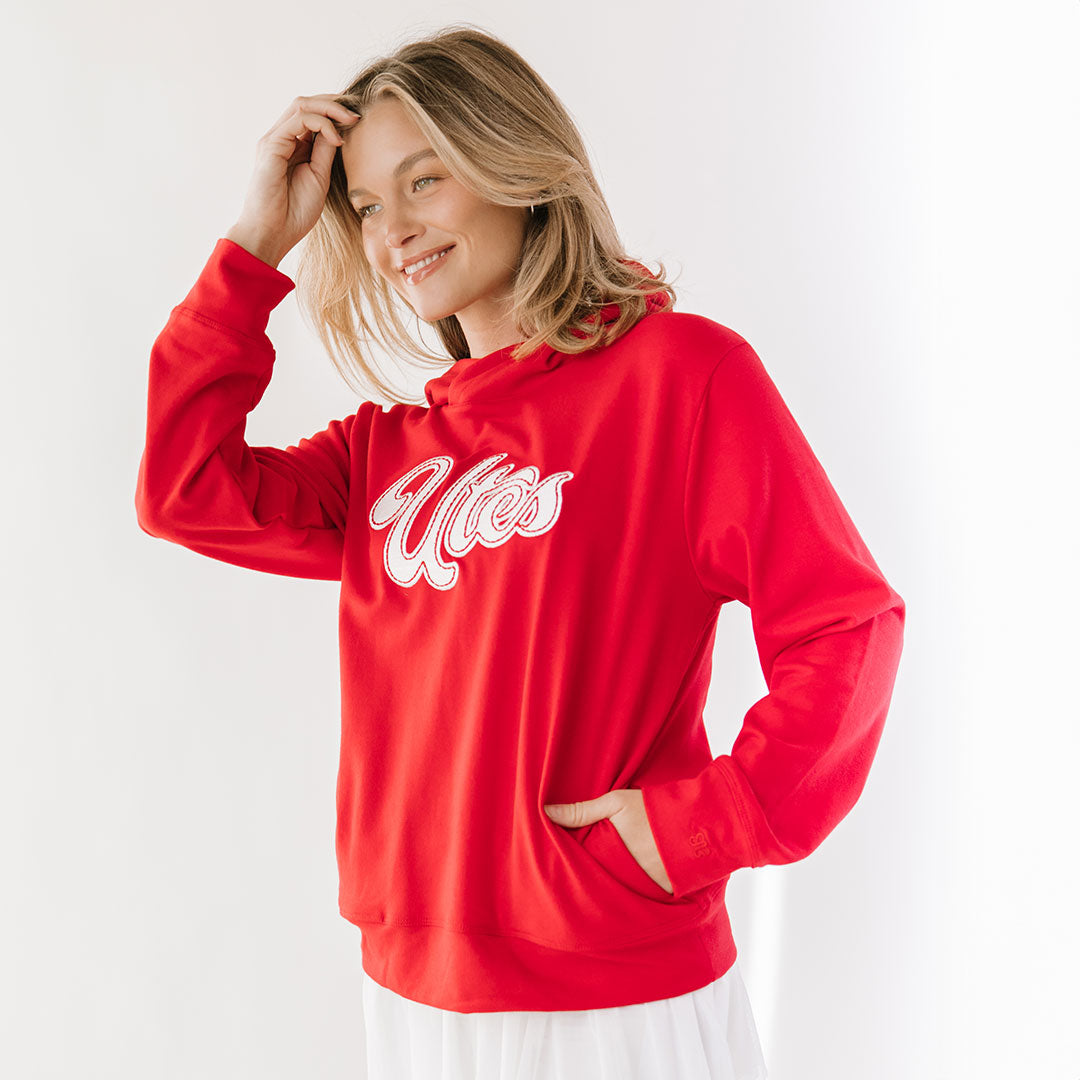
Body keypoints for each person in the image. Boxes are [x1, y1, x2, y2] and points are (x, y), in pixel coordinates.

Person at [134, 24, 905, 1080]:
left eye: (425, 180)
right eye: (366, 206)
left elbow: (846, 625)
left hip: (615, 988)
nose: (394, 230)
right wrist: (255, 244)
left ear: (514, 164)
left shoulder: (680, 379)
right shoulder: (386, 456)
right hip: (413, 992)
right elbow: (182, 488)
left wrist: (708, 824)